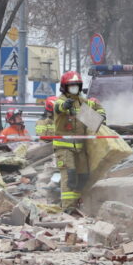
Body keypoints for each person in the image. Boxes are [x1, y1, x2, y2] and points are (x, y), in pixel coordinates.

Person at [53, 71, 106, 212]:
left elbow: (96, 118)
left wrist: (100, 113)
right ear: (65, 87)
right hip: (64, 148)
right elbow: (59, 107)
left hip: (80, 148)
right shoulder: (61, 101)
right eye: (71, 85)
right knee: (69, 177)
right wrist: (66, 106)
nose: (74, 87)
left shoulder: (82, 102)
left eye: (76, 85)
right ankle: (68, 208)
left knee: (83, 177)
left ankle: (76, 204)